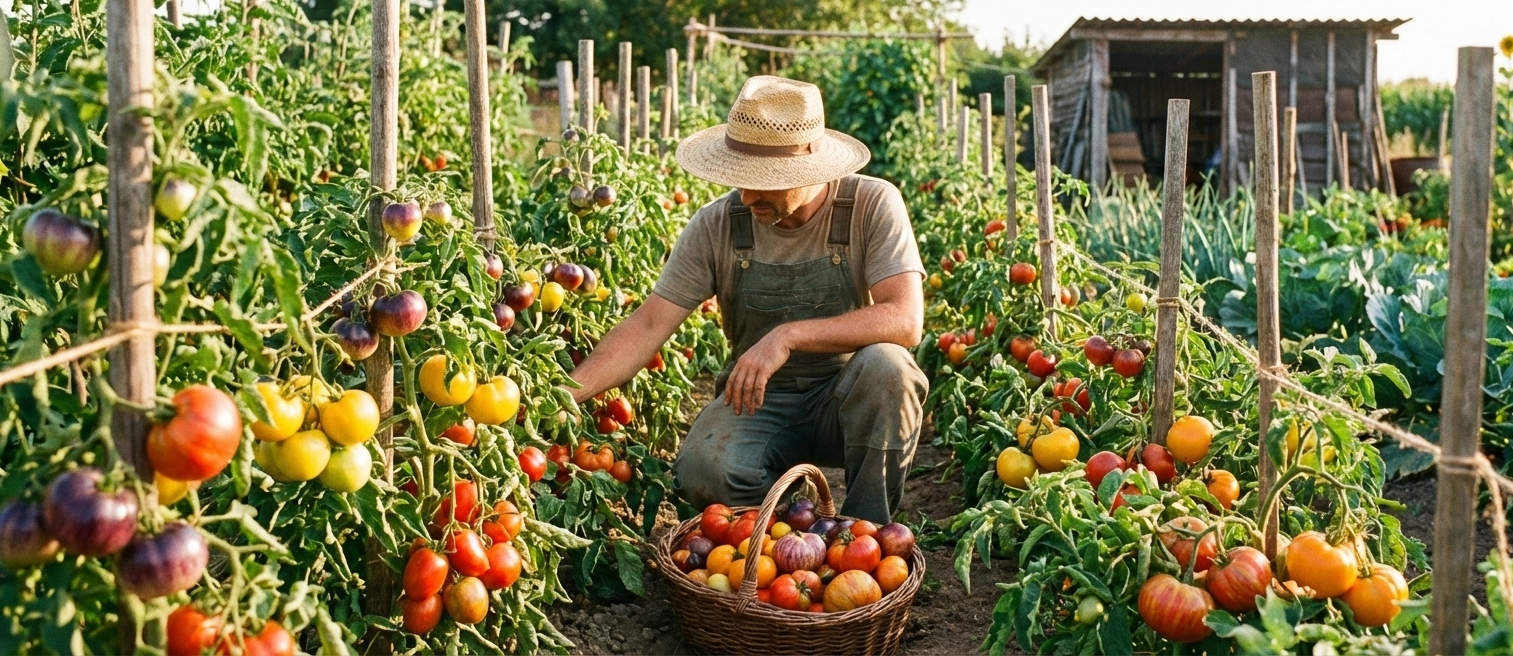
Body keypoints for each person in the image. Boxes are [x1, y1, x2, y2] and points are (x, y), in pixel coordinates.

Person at [565, 75, 927, 523]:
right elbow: (647, 325)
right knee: (703, 471)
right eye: (740, 178)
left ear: (809, 164)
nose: (748, 195)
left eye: (765, 181)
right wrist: (564, 395)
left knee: (888, 369)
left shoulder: (870, 204)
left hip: (846, 400)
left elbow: (905, 320)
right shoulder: (717, 225)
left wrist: (787, 336)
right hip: (759, 400)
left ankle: (867, 534)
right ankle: (786, 531)